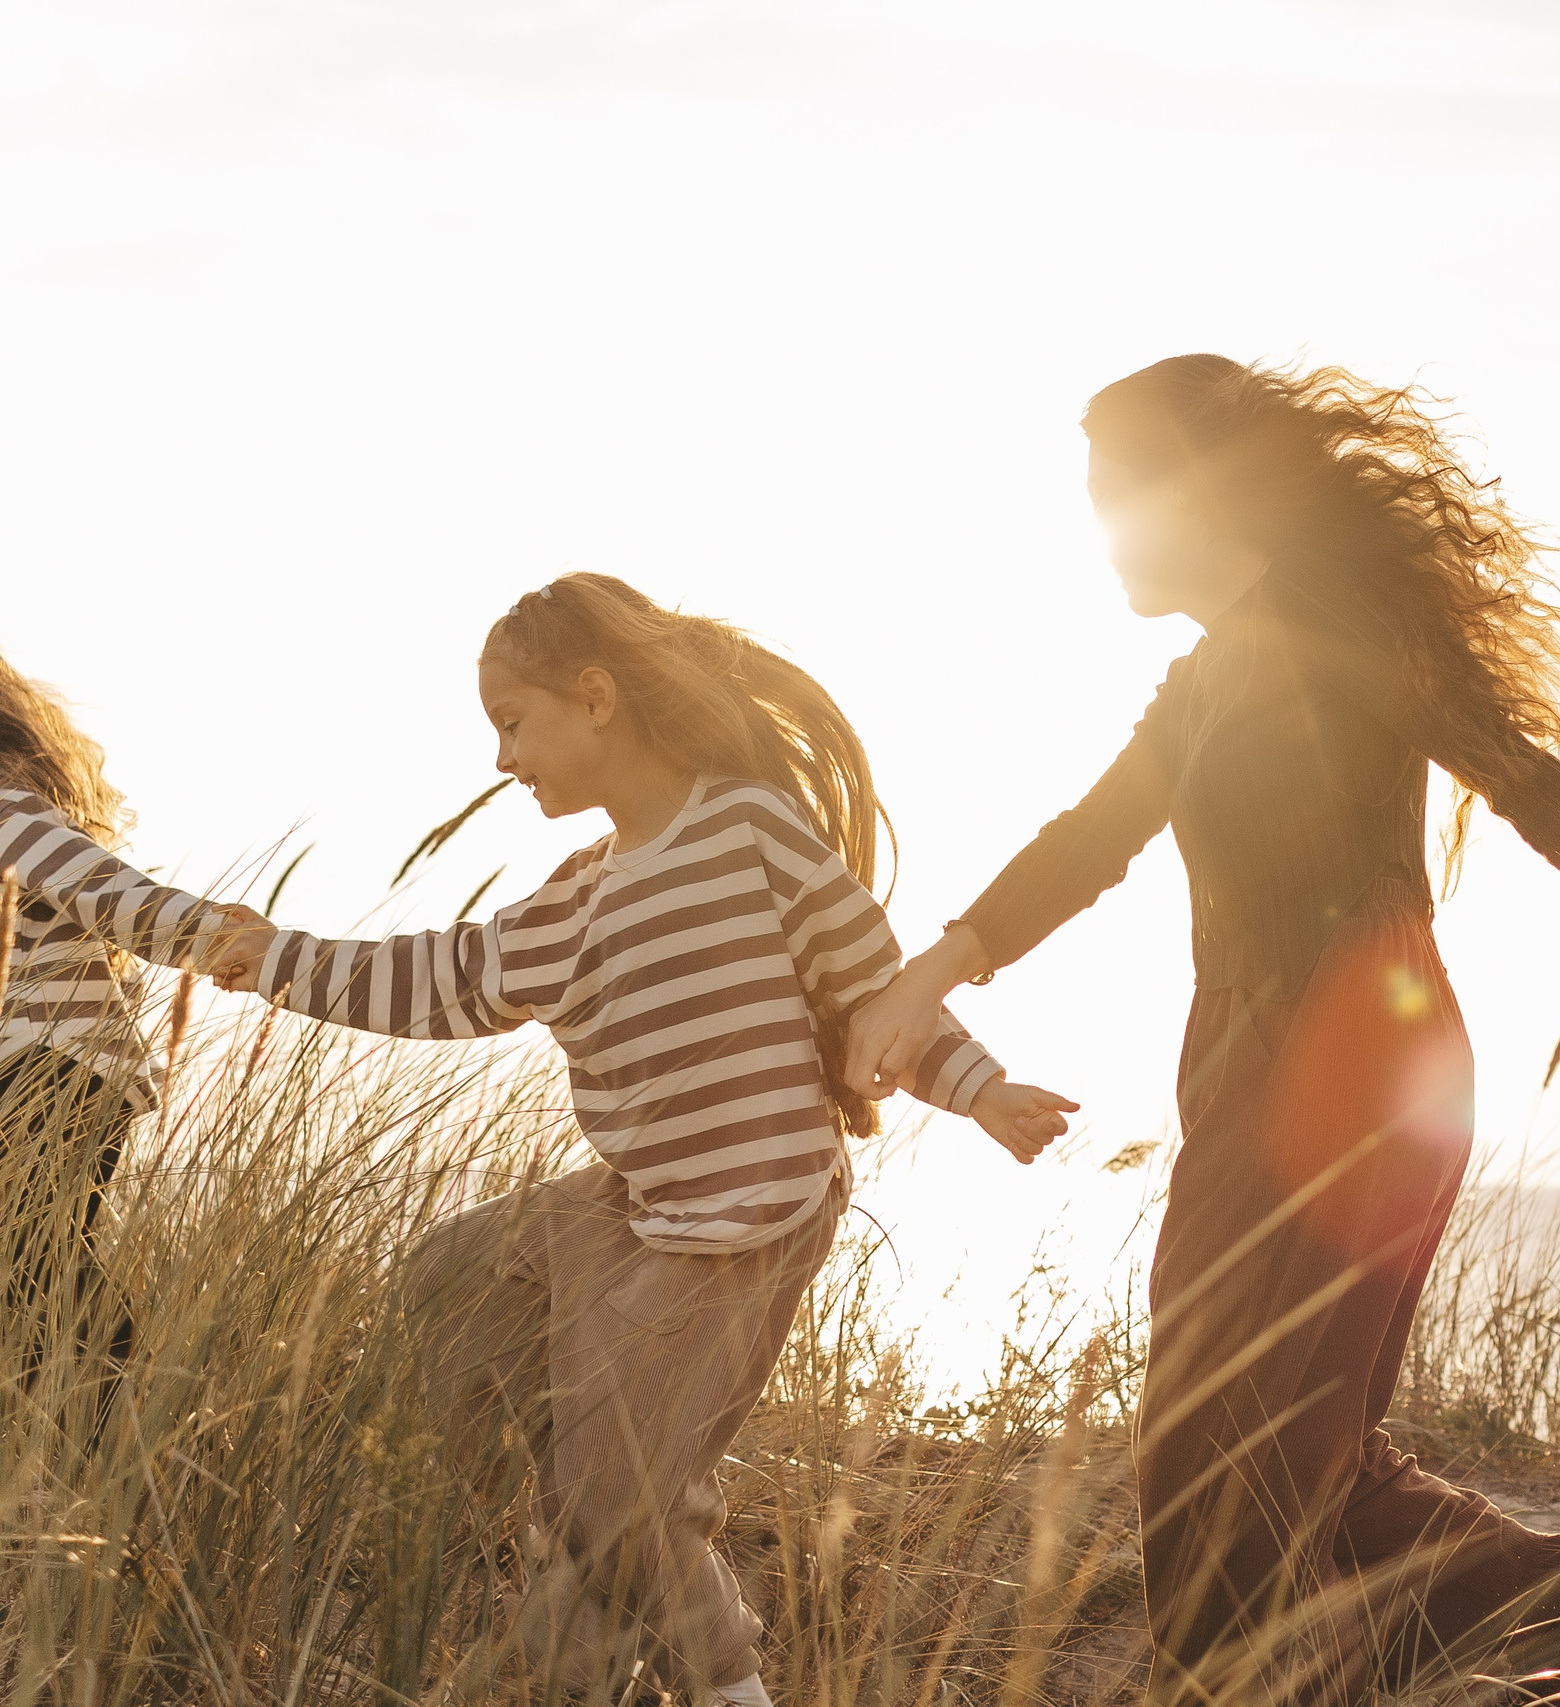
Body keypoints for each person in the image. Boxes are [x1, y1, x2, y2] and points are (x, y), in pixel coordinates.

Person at [845, 358, 1560, 1703]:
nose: (1100, 528)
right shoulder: (1201, 682)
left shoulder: (1335, 618)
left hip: (1357, 1037)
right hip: (1242, 1057)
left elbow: (1507, 761)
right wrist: (926, 973)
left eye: (1115, 493)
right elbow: (1088, 842)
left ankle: (1327, 1666)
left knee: (1257, 1438)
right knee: (1236, 1432)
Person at [214, 575, 1076, 1706]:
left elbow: (875, 989)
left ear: (596, 696)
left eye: (512, 725)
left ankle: (696, 1664)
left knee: (616, 1501)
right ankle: (567, 1528)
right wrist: (266, 955)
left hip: (743, 1222)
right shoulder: (577, 900)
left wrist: (982, 1089)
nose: (501, 761)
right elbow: (428, 978)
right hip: (630, 1210)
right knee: (449, 1278)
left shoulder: (748, 829)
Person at [1, 655, 269, 1427]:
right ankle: (101, 1452)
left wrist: (226, 940)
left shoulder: (10, 816)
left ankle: (122, 1444)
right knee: (36, 1274)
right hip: (33, 1071)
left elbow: (118, 899)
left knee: (33, 1263)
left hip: (54, 1067)